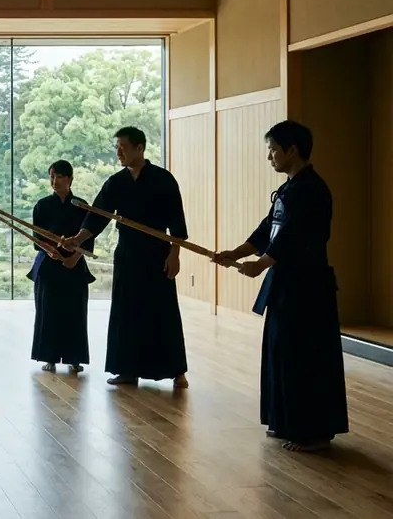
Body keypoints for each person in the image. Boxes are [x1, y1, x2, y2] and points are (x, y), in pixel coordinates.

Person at [213, 120, 348, 453]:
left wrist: (260, 263)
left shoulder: (312, 189)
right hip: (287, 282)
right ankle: (287, 421)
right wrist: (238, 252)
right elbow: (268, 230)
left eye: (273, 149)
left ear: (292, 150)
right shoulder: (290, 188)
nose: (269, 156)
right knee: (281, 352)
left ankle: (313, 431)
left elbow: (293, 236)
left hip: (308, 286)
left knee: (305, 356)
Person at [60, 127, 190, 388]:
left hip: (157, 253)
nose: (119, 152)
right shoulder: (116, 182)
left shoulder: (164, 180)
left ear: (139, 148)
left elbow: (176, 222)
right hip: (128, 254)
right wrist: (77, 239)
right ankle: (127, 370)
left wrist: (175, 255)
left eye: (123, 147)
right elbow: (97, 215)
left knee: (162, 312)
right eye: (116, 147)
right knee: (126, 312)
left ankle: (177, 371)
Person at [29, 160, 95, 373]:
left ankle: (74, 358)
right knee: (48, 311)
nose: (54, 181)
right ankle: (50, 357)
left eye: (58, 177)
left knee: (74, 312)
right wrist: (51, 250)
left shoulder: (81, 205)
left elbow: (88, 236)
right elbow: (37, 238)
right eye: (51, 177)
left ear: (70, 179)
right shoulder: (42, 205)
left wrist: (74, 258)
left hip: (74, 265)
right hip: (49, 265)